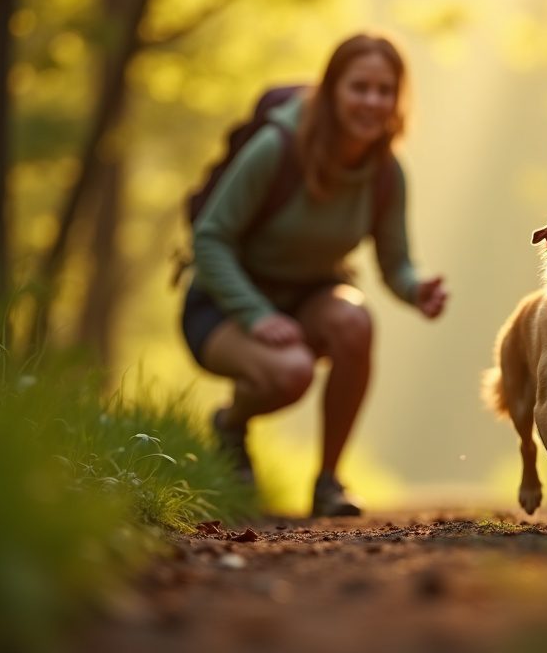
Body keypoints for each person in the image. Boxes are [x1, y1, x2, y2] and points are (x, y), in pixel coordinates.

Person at [181, 33, 447, 517]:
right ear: (331, 91)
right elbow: (210, 238)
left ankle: (328, 483)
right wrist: (255, 314)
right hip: (224, 303)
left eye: (384, 90)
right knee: (292, 372)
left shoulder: (386, 172)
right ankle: (230, 423)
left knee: (355, 321)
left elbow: (395, 263)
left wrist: (416, 288)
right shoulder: (277, 147)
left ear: (397, 99)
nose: (372, 101)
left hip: (307, 298)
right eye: (359, 87)